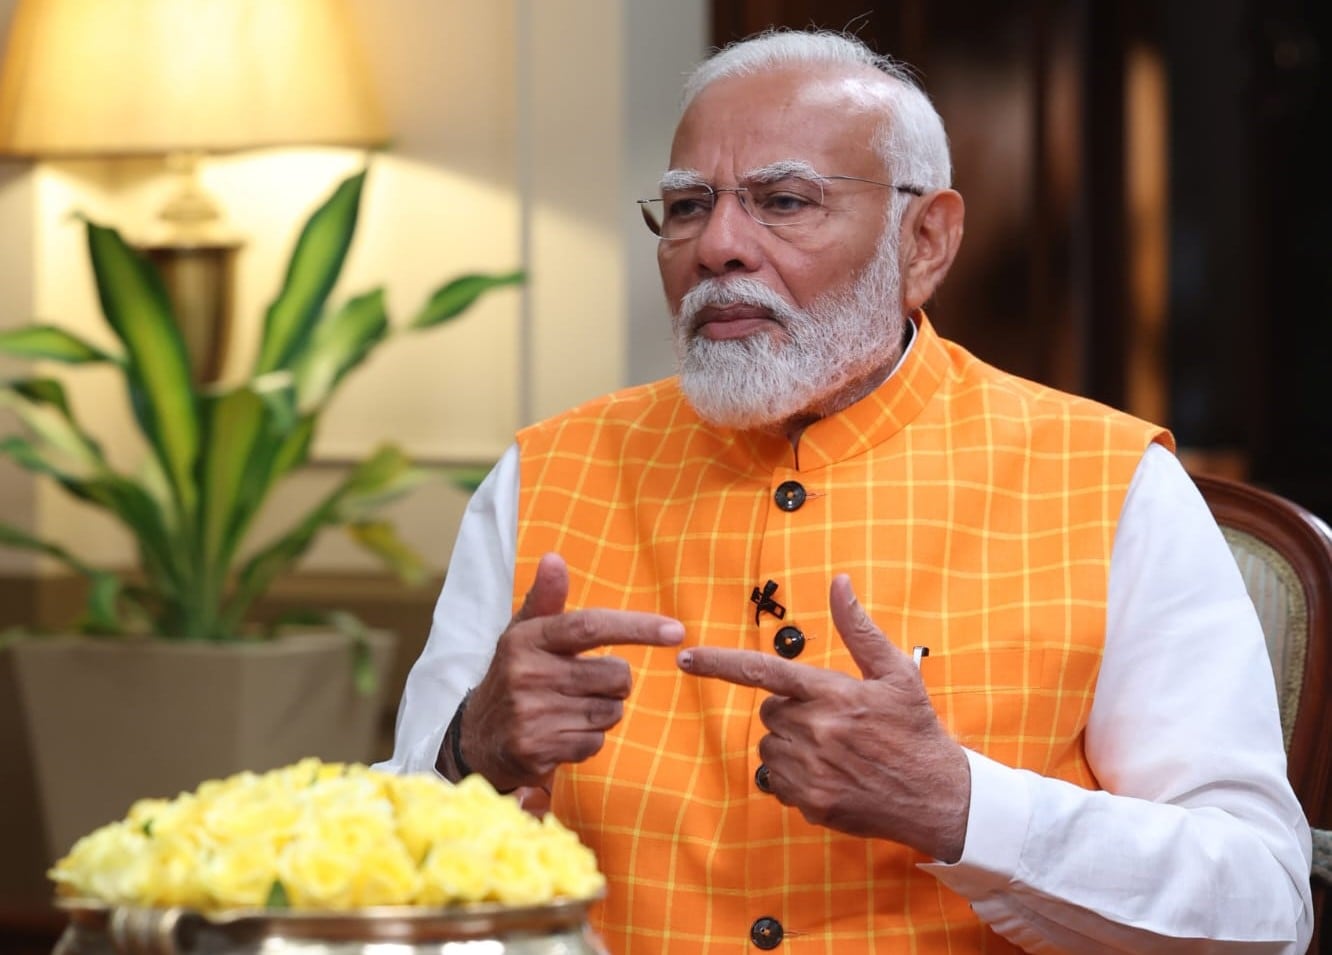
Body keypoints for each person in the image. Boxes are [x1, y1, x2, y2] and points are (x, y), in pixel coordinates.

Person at [379, 29, 1313, 953]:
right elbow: (371, 871)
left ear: (925, 241)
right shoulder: (546, 473)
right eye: (688, 206)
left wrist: (959, 805)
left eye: (784, 201)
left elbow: (1262, 902)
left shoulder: (1108, 483)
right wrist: (467, 753)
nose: (719, 246)